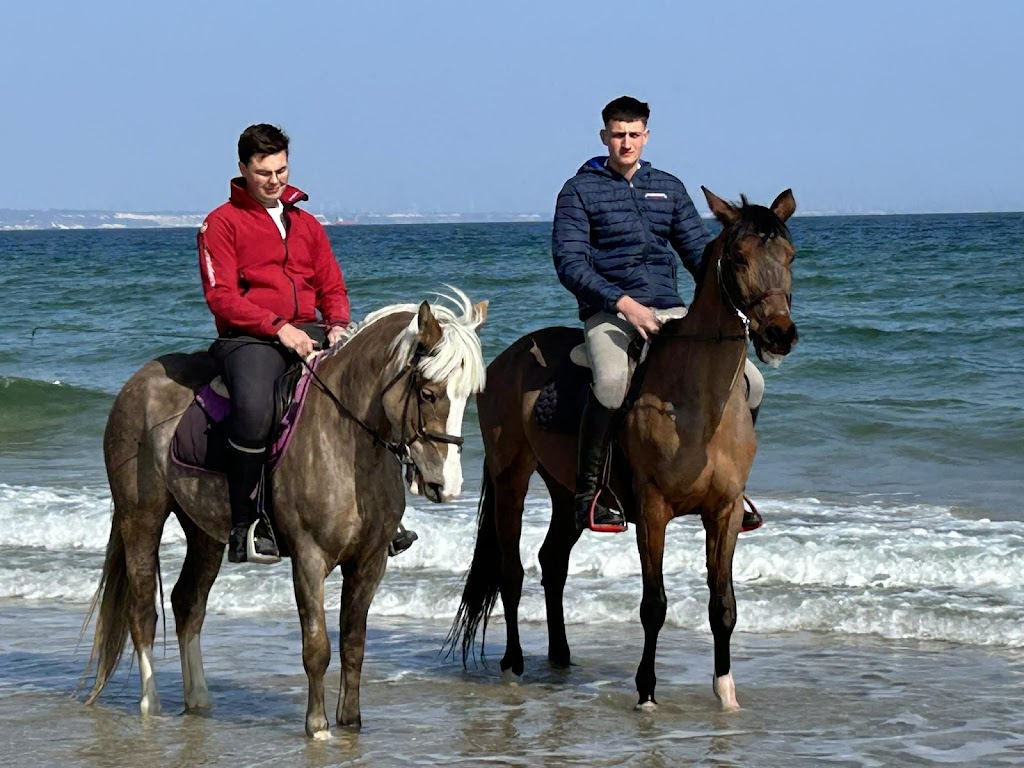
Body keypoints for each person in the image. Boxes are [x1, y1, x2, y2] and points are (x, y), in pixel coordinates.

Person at [198, 123, 417, 563]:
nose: (274, 181)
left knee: (374, 391)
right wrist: (277, 327)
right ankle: (246, 523)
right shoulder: (219, 223)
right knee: (256, 410)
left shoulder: (306, 223)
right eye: (263, 172)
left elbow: (331, 284)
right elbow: (221, 297)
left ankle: (382, 512)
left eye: (281, 170)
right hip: (249, 338)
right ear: (242, 169)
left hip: (311, 329)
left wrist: (337, 324)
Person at [552, 96, 764, 534]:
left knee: (753, 382)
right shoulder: (579, 191)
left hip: (671, 309)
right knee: (612, 383)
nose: (626, 143)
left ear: (646, 136)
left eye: (634, 134)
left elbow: (699, 256)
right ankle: (591, 494)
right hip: (611, 311)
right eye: (618, 134)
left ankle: (733, 485)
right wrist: (624, 304)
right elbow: (570, 264)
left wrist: (737, 283)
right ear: (604, 136)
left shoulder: (668, 188)